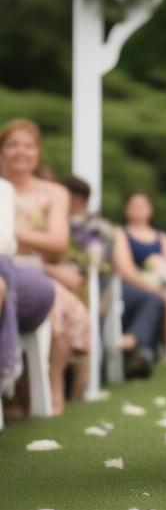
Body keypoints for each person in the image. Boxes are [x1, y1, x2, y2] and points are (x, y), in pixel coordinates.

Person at [0, 119, 89, 415]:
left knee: (59, 307)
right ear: (2, 150)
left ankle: (50, 384)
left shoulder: (54, 192)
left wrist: (9, 232)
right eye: (12, 144)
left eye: (28, 145)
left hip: (38, 270)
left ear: (38, 152)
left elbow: (57, 242)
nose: (20, 152)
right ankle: (17, 394)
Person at [113, 191, 166, 368]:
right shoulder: (121, 233)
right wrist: (152, 288)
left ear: (150, 210)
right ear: (126, 210)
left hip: (161, 286)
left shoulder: (163, 238)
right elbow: (125, 269)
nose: (138, 209)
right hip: (133, 286)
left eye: (142, 205)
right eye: (134, 205)